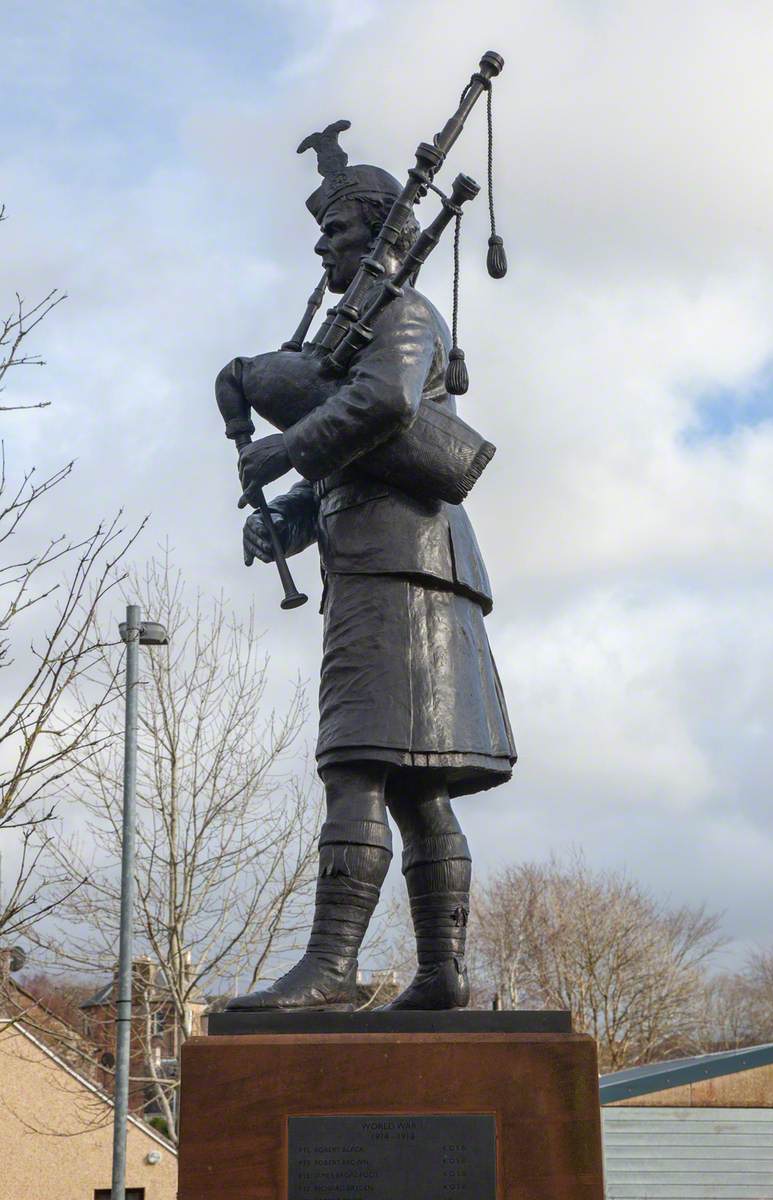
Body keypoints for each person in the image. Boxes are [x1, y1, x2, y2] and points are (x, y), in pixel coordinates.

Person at [217, 126, 515, 1011]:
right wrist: (295, 525)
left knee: (355, 764)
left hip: (401, 570)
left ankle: (333, 966)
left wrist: (284, 453)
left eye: (338, 231)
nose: (322, 246)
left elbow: (384, 406)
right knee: (417, 784)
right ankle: (442, 973)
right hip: (393, 561)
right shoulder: (371, 326)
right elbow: (361, 461)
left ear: (380, 235)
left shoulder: (406, 316)